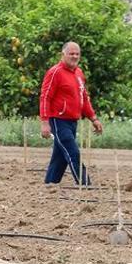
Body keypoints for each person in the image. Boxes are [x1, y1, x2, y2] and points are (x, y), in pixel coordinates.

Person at [39, 41, 103, 186]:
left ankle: (50, 183)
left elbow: (84, 98)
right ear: (63, 54)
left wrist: (94, 118)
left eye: (77, 54)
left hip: (73, 121)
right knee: (72, 152)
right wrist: (44, 122)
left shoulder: (79, 73)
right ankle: (84, 184)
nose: (74, 56)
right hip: (58, 120)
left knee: (60, 155)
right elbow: (45, 97)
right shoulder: (55, 72)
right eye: (71, 53)